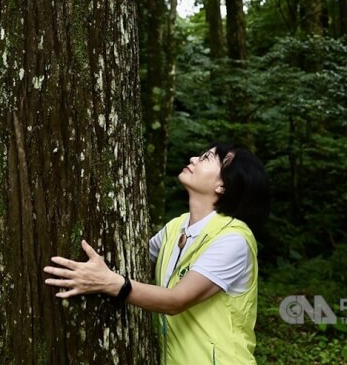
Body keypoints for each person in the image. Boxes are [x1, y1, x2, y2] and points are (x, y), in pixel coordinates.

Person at [44, 143, 271, 364]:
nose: (193, 159)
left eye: (205, 158)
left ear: (222, 185)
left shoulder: (233, 240)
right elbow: (133, 260)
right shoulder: (176, 227)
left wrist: (110, 283)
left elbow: (176, 300)